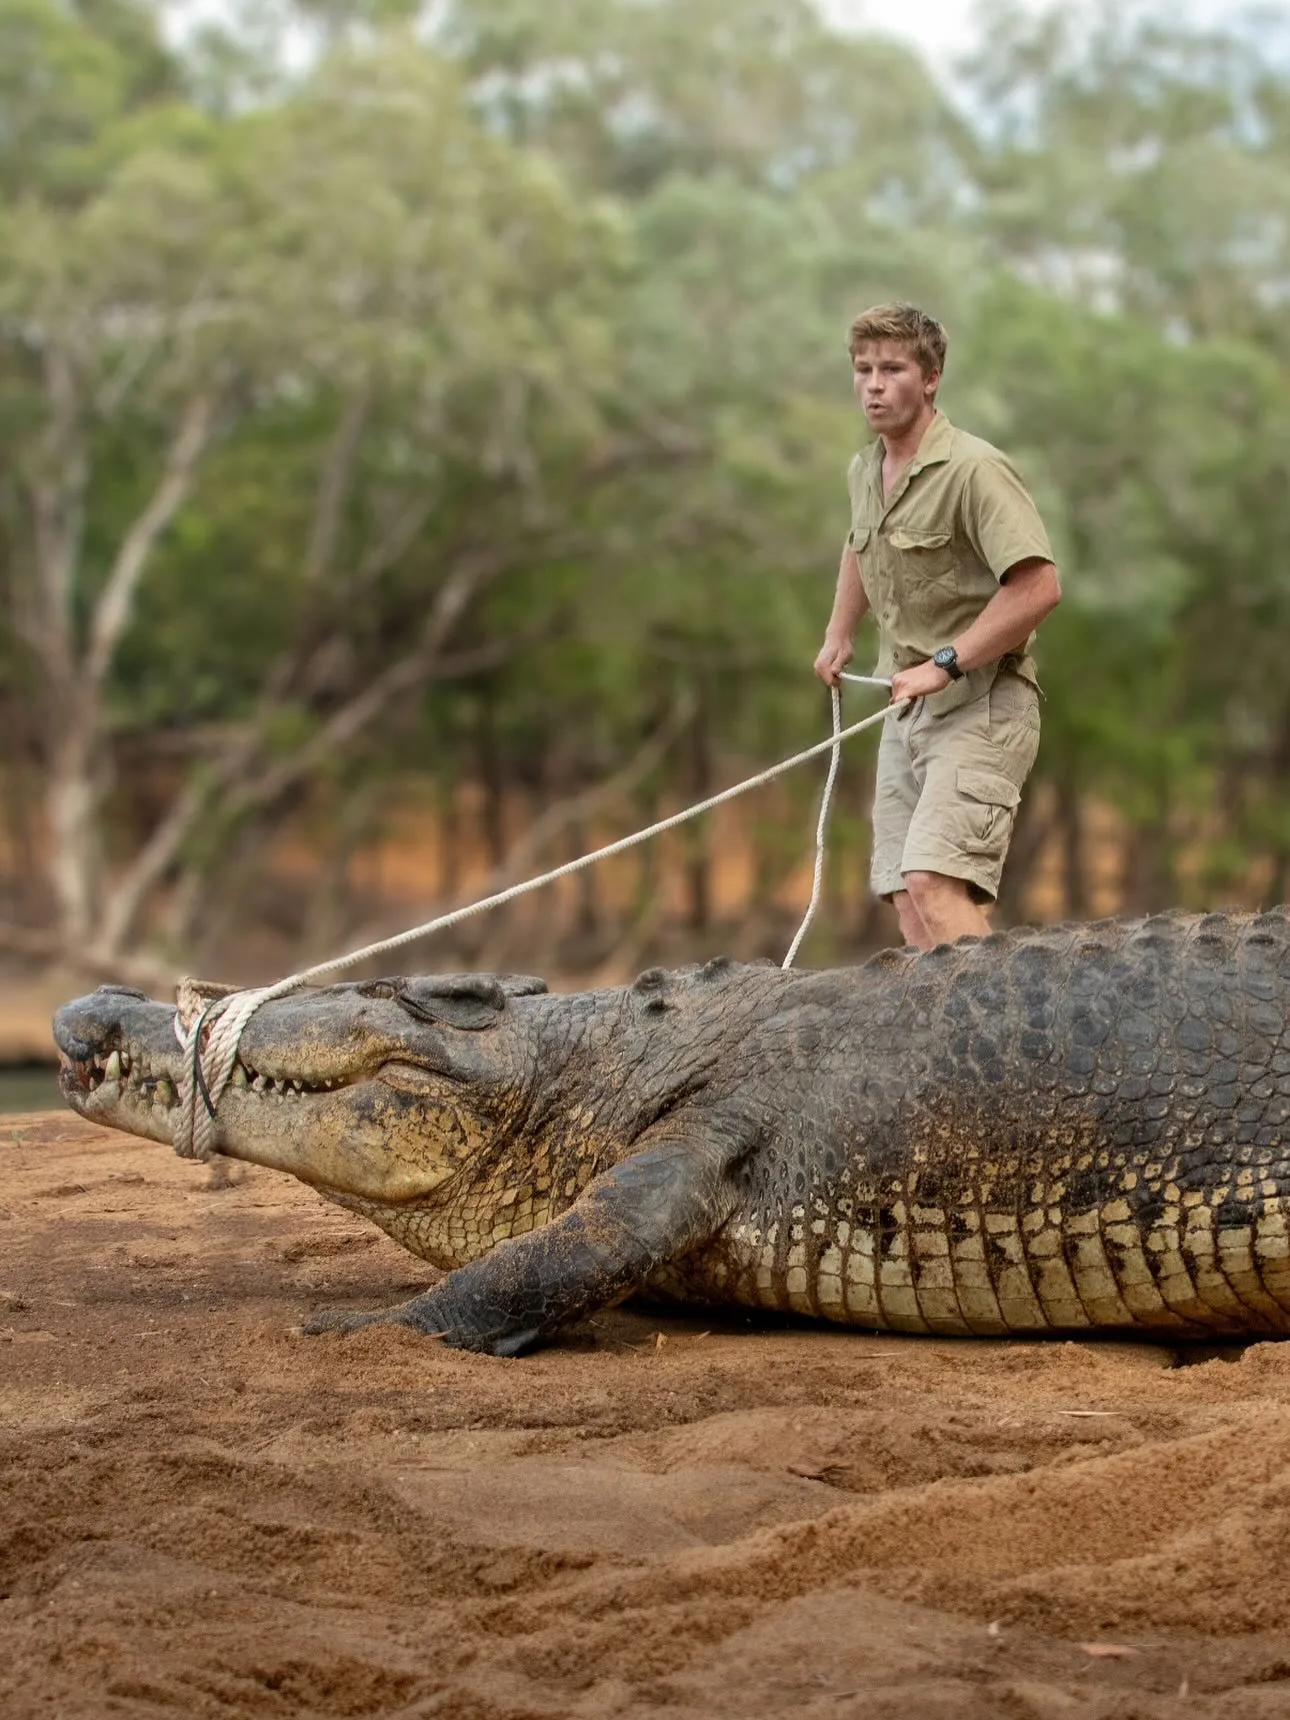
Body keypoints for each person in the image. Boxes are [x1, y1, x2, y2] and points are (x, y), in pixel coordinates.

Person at [814, 302, 1061, 951]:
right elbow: (859, 545)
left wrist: (945, 663)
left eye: (891, 368)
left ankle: (1011, 1053)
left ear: (930, 379)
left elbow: (1039, 588)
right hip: (907, 713)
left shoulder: (976, 469)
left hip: (983, 702)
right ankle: (956, 1050)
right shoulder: (864, 469)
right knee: (905, 898)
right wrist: (839, 633)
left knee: (934, 882)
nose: (873, 383)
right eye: (862, 368)